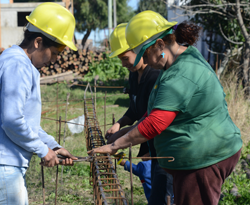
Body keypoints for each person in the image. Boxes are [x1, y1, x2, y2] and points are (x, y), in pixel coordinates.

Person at [88, 10, 242, 205]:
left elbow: (155, 124)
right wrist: (126, 131)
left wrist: (113, 146)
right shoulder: (172, 65)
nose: (143, 60)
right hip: (195, 152)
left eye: (144, 53)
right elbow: (155, 111)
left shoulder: (181, 73)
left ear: (160, 44)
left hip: (205, 156)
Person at [0, 3, 78, 204]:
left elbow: (26, 124)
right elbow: (12, 121)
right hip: (2, 168)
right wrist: (42, 150)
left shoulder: (18, 63)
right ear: (38, 42)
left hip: (2, 168)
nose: (55, 60)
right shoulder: (17, 65)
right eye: (54, 53)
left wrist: (52, 146)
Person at [106, 23, 173, 204]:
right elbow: (135, 109)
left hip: (160, 148)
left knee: (164, 195)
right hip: (147, 146)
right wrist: (119, 124)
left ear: (138, 49)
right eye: (120, 59)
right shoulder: (134, 75)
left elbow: (153, 118)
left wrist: (121, 139)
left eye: (126, 57)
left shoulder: (155, 75)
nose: (124, 63)